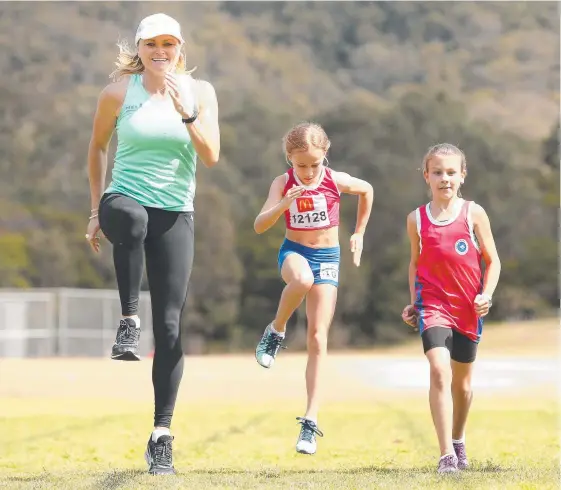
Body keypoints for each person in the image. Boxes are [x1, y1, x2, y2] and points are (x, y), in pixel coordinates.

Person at [85, 13, 220, 475]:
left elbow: (211, 155)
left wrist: (187, 114)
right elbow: (98, 146)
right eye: (151, 44)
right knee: (133, 220)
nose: (160, 51)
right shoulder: (118, 94)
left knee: (170, 330)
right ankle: (127, 319)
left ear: (180, 48)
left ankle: (161, 436)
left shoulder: (200, 93)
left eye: (169, 43)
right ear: (138, 48)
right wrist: (93, 210)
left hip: (176, 212)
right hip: (123, 199)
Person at [253, 122, 374, 455]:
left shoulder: (335, 181)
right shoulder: (283, 182)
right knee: (302, 280)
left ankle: (309, 421)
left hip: (328, 257)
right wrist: (283, 203)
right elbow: (260, 225)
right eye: (300, 164)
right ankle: (275, 331)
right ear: (289, 158)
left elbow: (367, 191)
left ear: (325, 155)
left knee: (318, 338)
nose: (307, 172)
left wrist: (359, 232)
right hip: (295, 252)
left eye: (314, 164)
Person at [401, 143, 501, 473]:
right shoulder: (416, 219)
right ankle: (446, 455)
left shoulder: (474, 213)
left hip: (469, 309)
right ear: (426, 176)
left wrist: (486, 294)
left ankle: (458, 439)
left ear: (462, 176)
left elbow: (493, 261)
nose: (445, 178)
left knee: (463, 385)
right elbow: (415, 264)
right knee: (439, 370)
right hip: (433, 305)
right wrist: (414, 303)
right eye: (438, 172)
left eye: (451, 172)